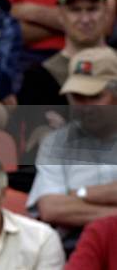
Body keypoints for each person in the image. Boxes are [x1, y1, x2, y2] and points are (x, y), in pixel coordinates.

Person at [27, 47, 117, 253]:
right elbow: (51, 208)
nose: (85, 106)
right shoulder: (56, 142)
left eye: (94, 96)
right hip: (72, 250)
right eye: (78, 97)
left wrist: (80, 193)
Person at [18, 0, 111, 105]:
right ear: (60, 13)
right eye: (75, 10)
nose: (85, 19)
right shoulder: (39, 77)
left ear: (107, 10)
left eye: (92, 9)